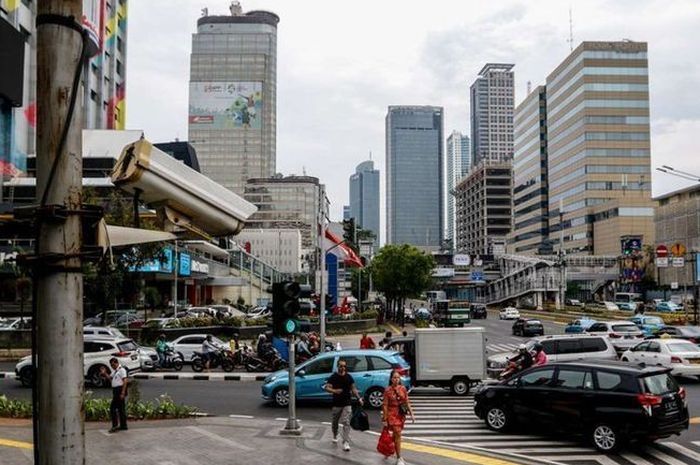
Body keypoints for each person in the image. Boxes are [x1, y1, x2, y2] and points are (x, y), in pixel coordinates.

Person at [324, 360, 363, 452]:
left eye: (344, 366)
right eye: (341, 366)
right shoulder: (333, 377)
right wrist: (335, 391)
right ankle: (334, 434)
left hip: (347, 403)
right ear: (338, 366)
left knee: (346, 422)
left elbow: (353, 389)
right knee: (335, 422)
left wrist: (359, 398)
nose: (343, 368)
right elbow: (327, 387)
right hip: (336, 404)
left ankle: (346, 442)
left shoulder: (349, 377)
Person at [382, 369, 415, 465]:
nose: (396, 379)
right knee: (398, 434)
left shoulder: (403, 389)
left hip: (401, 414)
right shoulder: (387, 390)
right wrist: (384, 418)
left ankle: (388, 448)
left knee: (396, 435)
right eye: (394, 378)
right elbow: (385, 405)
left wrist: (412, 414)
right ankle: (399, 458)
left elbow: (406, 401)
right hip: (391, 415)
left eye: (397, 377)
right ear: (391, 379)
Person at [100, 357, 128, 433]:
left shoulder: (122, 370)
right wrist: (104, 373)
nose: (112, 366)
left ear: (116, 363)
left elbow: (125, 381)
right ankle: (123, 425)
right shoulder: (115, 371)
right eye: (111, 365)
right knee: (121, 409)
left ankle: (115, 426)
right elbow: (110, 378)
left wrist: (122, 392)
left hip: (119, 390)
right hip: (116, 390)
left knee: (112, 408)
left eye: (113, 365)